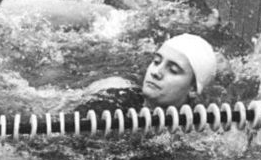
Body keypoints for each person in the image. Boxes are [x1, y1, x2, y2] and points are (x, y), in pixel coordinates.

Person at [74, 33, 218, 112]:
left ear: (193, 89)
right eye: (156, 61)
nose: (156, 72)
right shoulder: (113, 97)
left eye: (173, 70)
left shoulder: (203, 127)